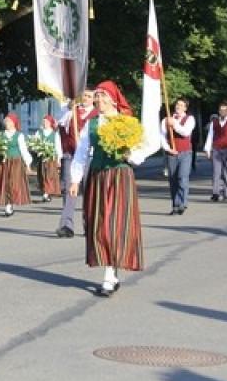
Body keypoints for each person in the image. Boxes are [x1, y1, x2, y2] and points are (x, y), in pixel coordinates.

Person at [69, 81, 146, 297]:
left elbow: (140, 154)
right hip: (98, 177)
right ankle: (110, 272)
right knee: (100, 225)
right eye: (97, 97)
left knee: (115, 226)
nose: (99, 101)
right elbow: (82, 152)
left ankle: (109, 276)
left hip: (120, 177)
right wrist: (75, 180)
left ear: (113, 99)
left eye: (103, 97)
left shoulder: (127, 122)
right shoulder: (91, 124)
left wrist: (128, 153)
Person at [56, 87, 98, 237]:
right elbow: (60, 122)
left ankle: (89, 225)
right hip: (71, 155)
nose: (85, 98)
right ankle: (66, 225)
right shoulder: (72, 111)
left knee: (89, 192)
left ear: (93, 99)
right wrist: (69, 107)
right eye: (83, 95)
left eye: (88, 96)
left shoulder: (97, 114)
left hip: (91, 158)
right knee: (69, 190)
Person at [0, 113, 33, 216]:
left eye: (9, 121)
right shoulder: (1, 135)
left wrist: (28, 164)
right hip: (4, 162)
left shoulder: (19, 135)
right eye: (6, 121)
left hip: (16, 162)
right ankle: (7, 205)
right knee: (5, 183)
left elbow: (23, 150)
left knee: (13, 183)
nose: (6, 123)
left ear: (14, 123)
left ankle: (11, 203)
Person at [161, 99, 195, 215]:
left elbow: (185, 132)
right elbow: (162, 136)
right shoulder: (166, 120)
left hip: (185, 153)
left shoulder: (189, 119)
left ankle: (183, 203)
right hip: (172, 153)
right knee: (173, 179)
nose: (178, 107)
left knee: (182, 178)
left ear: (185, 108)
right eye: (177, 104)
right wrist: (167, 148)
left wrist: (174, 124)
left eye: (181, 105)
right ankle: (175, 205)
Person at [203, 102, 227, 202]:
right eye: (221, 110)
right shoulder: (214, 122)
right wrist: (207, 149)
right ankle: (215, 193)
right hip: (216, 149)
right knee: (216, 172)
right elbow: (210, 136)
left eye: (224, 110)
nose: (222, 112)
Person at [34, 114, 63, 203]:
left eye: (46, 122)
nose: (45, 123)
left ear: (50, 123)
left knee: (50, 176)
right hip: (42, 158)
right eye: (44, 122)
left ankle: (46, 193)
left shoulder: (55, 134)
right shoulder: (39, 133)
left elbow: (58, 147)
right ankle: (45, 192)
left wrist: (59, 159)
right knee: (42, 175)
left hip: (51, 158)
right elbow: (35, 144)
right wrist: (39, 149)